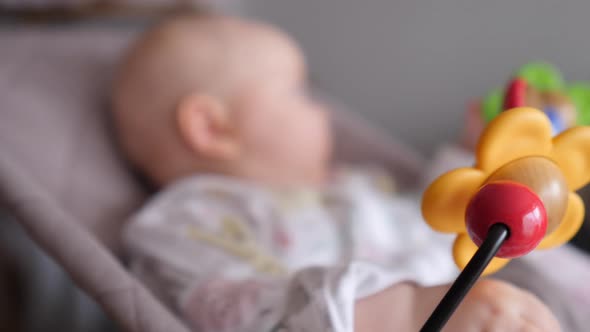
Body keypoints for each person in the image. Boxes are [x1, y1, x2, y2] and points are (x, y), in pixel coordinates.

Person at [111, 12, 560, 331]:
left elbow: (423, 223)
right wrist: (405, 314)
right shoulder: (191, 217)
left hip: (497, 292)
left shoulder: (351, 185)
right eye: (300, 92)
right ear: (212, 127)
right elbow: (239, 311)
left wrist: (473, 154)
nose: (324, 112)